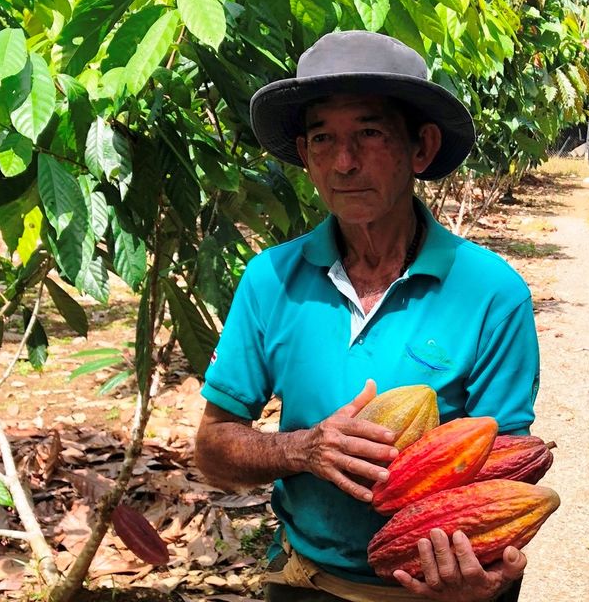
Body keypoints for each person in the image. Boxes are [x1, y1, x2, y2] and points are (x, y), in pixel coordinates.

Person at [194, 31, 541, 602]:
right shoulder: (270, 279)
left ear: (421, 148)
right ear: (304, 156)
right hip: (305, 581)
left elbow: (505, 468)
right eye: (323, 138)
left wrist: (485, 576)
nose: (344, 161)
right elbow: (212, 448)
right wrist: (301, 450)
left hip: (434, 588)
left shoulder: (490, 291)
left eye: (370, 133)